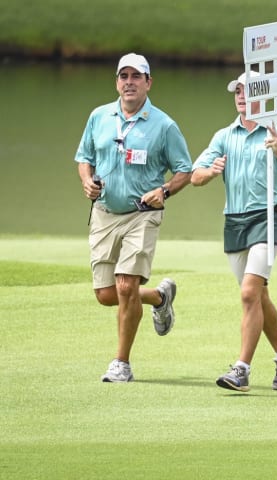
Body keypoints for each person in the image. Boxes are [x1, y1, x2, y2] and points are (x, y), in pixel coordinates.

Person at [75, 53, 192, 382]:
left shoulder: (164, 125)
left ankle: (121, 363)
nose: (129, 81)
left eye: (136, 76)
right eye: (123, 76)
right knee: (106, 294)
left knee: (126, 285)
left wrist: (165, 191)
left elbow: (185, 170)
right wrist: (86, 180)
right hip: (104, 213)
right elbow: (84, 157)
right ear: (117, 82)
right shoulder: (99, 117)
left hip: (143, 213)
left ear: (148, 82)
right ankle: (159, 297)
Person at [191, 71, 277, 392]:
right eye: (238, 91)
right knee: (257, 296)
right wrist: (211, 171)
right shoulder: (224, 136)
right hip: (234, 222)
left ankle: (241, 369)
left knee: (248, 293)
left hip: (267, 218)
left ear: (263, 97)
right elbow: (194, 176)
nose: (241, 96)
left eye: (248, 91)